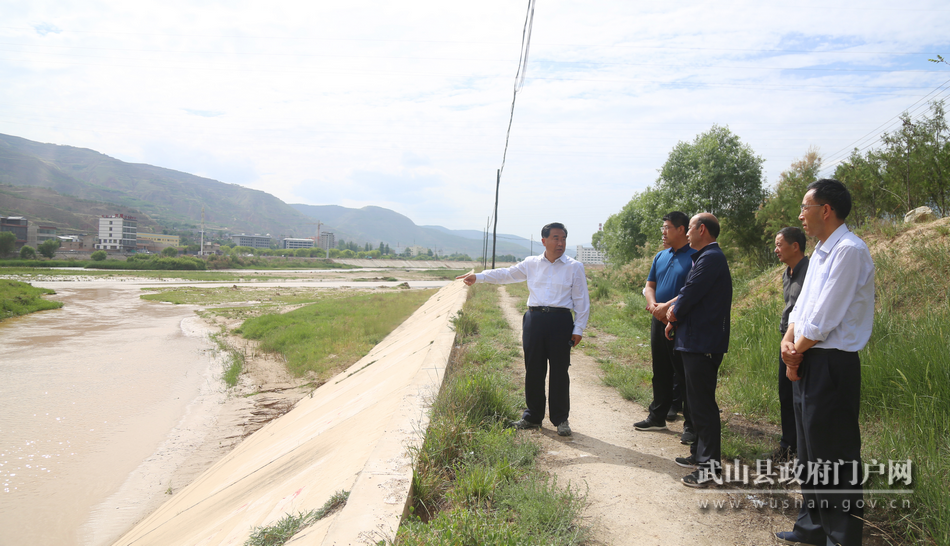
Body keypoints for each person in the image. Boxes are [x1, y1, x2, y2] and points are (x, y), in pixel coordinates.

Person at [776, 179, 874, 546]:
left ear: (826, 210)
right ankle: (813, 528)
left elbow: (825, 317)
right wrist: (788, 343)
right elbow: (803, 307)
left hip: (831, 362)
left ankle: (841, 537)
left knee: (835, 453)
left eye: (805, 207)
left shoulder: (849, 250)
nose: (801, 215)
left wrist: (795, 352)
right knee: (810, 449)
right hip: (808, 356)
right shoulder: (820, 251)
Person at [456, 222, 590, 437]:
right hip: (534, 320)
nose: (560, 243)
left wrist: (579, 328)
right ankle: (533, 417)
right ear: (544, 241)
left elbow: (582, 301)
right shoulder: (531, 263)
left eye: (564, 238)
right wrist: (479, 277)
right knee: (533, 369)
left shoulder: (574, 267)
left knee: (559, 371)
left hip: (560, 321)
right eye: (556, 238)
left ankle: (560, 419)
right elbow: (506, 274)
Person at [664, 213, 732, 488]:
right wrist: (676, 321)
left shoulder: (711, 258)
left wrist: (672, 314)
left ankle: (709, 468)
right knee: (694, 402)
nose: (687, 233)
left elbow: (690, 292)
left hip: (702, 343)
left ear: (701, 229)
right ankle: (698, 454)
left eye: (690, 228)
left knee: (703, 406)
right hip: (694, 340)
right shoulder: (704, 257)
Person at [634, 211, 696, 446]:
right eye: (663, 228)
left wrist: (666, 308)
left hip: (681, 321)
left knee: (684, 374)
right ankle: (657, 416)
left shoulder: (695, 256)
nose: (663, 232)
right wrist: (653, 306)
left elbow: (691, 290)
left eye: (667, 227)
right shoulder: (660, 256)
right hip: (658, 319)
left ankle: (691, 425)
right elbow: (650, 285)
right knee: (660, 370)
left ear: (681, 229)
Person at [771, 226, 809, 461]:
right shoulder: (787, 273)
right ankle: (788, 446)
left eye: (779, 245)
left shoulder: (811, 271)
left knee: (802, 398)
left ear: (795, 246)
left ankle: (805, 451)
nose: (776, 250)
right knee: (786, 395)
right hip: (787, 340)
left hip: (805, 342)